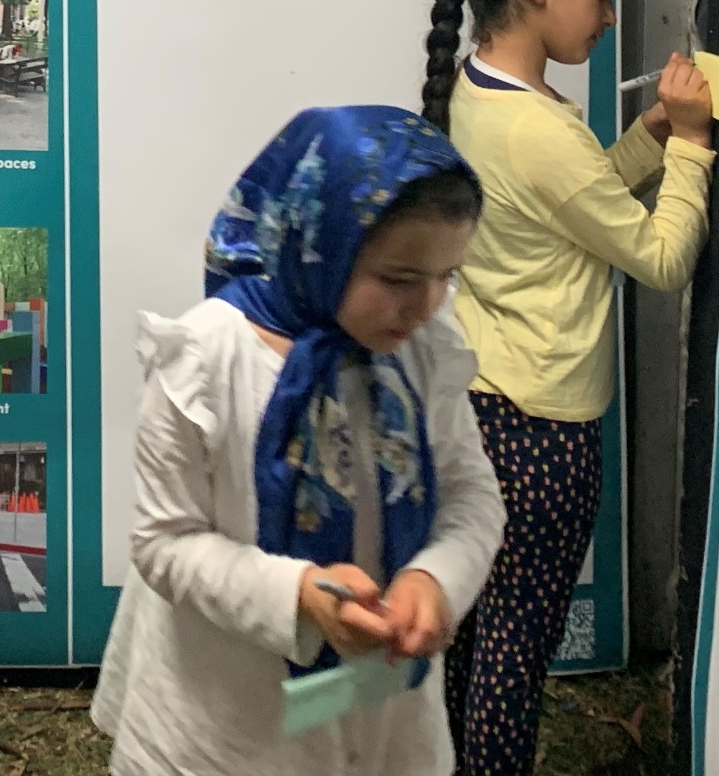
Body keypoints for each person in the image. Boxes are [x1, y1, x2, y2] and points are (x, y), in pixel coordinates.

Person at [93, 107, 504, 776]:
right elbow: (164, 541)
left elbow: (471, 496)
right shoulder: (204, 359)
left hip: (380, 714)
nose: (428, 305)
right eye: (399, 279)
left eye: (447, 277)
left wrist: (437, 577)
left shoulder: (421, 355)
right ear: (321, 244)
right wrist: (298, 595)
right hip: (223, 727)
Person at [423, 0, 715, 776]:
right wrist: (695, 145)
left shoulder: (476, 92)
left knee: (473, 647)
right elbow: (661, 259)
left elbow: (571, 209)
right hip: (544, 436)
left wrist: (649, 137)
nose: (612, 13)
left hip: (479, 409)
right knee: (515, 661)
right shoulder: (541, 129)